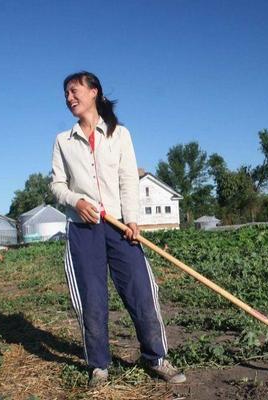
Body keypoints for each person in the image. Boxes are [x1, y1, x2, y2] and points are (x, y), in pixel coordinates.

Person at [49, 71, 186, 386]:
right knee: (92, 298)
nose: (69, 98)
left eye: (74, 91)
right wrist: (76, 200)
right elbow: (56, 185)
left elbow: (128, 179)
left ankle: (156, 357)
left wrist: (133, 220)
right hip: (83, 230)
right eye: (66, 94)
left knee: (140, 290)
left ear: (93, 91)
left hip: (120, 225)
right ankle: (99, 366)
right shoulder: (62, 141)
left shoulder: (119, 134)